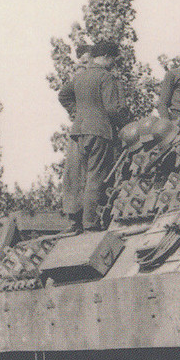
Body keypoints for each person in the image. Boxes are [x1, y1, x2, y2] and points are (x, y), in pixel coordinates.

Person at [58, 41, 125, 233]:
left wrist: (76, 111)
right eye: (112, 59)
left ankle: (74, 222)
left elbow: (63, 95)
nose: (113, 64)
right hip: (99, 131)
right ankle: (90, 223)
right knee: (96, 176)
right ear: (105, 57)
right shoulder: (106, 77)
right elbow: (112, 108)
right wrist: (125, 126)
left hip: (78, 131)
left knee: (76, 176)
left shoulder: (80, 77)